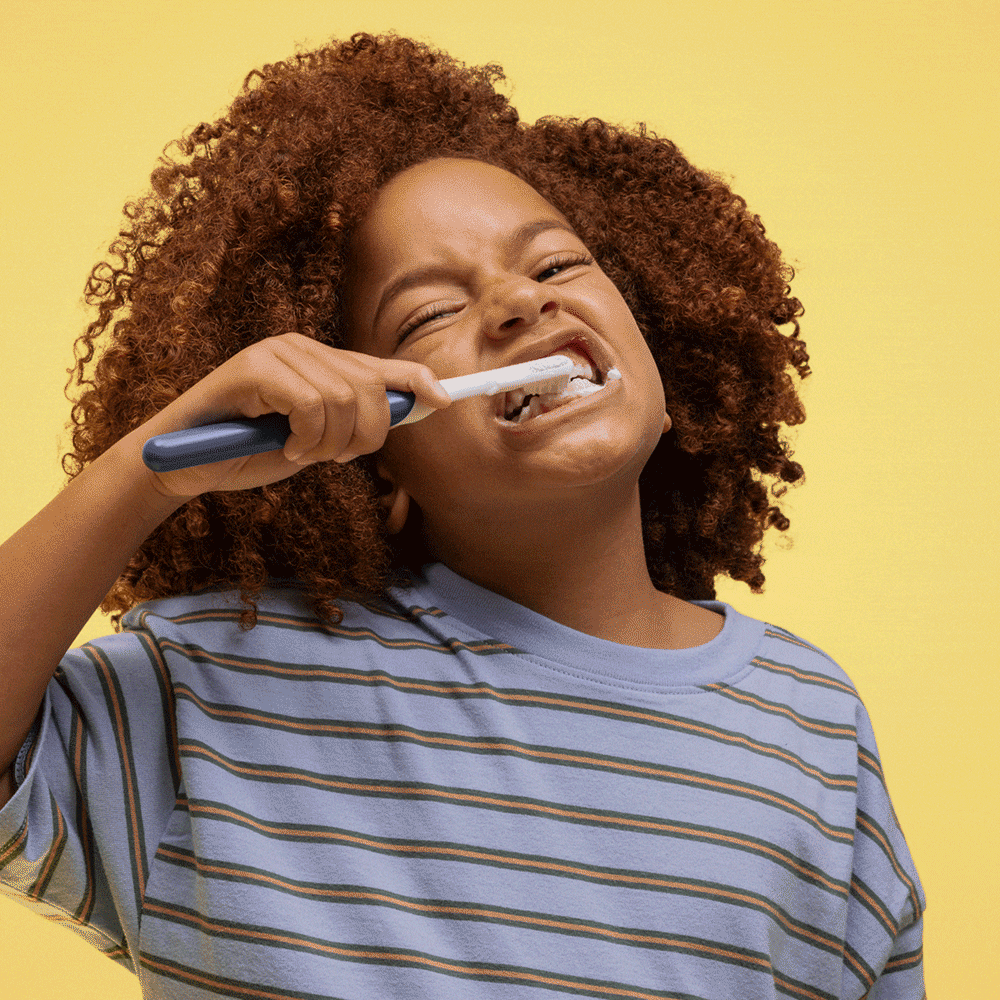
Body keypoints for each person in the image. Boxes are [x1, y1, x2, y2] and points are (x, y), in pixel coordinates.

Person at [0, 32, 925, 1000]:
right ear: (365, 446)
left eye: (558, 264)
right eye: (426, 315)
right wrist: (142, 474)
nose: (519, 301)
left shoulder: (811, 720)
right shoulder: (213, 681)